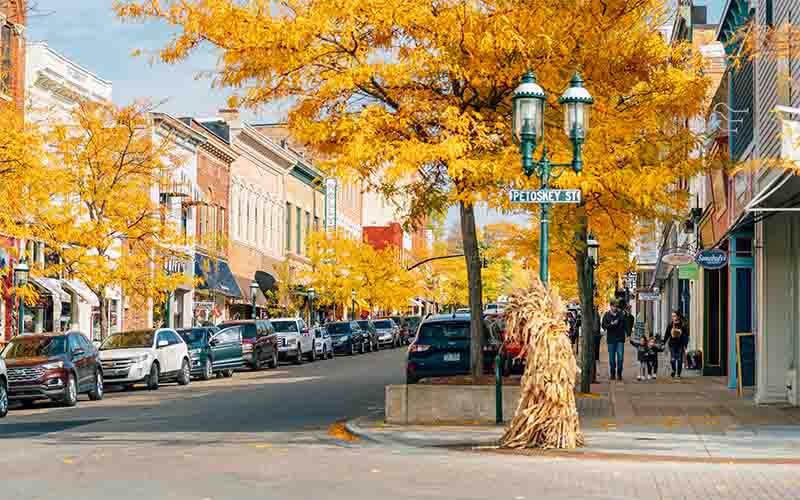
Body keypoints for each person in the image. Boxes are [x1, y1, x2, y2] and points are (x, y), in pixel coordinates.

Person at [602, 299, 627, 381]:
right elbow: (604, 326)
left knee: (620, 357)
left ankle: (619, 373)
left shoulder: (621, 315)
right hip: (611, 340)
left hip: (620, 338)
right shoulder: (607, 315)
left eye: (616, 306)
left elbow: (624, 325)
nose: (614, 308)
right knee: (612, 359)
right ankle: (612, 373)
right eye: (613, 306)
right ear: (610, 306)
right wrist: (612, 324)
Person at [664, 310, 689, 379]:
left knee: (679, 360)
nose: (673, 317)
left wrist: (681, 334)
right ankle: (674, 370)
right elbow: (667, 334)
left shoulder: (683, 324)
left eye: (674, 316)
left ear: (678, 316)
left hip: (680, 344)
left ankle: (678, 374)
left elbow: (686, 334)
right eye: (672, 316)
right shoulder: (670, 324)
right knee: (672, 359)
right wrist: (663, 343)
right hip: (672, 344)